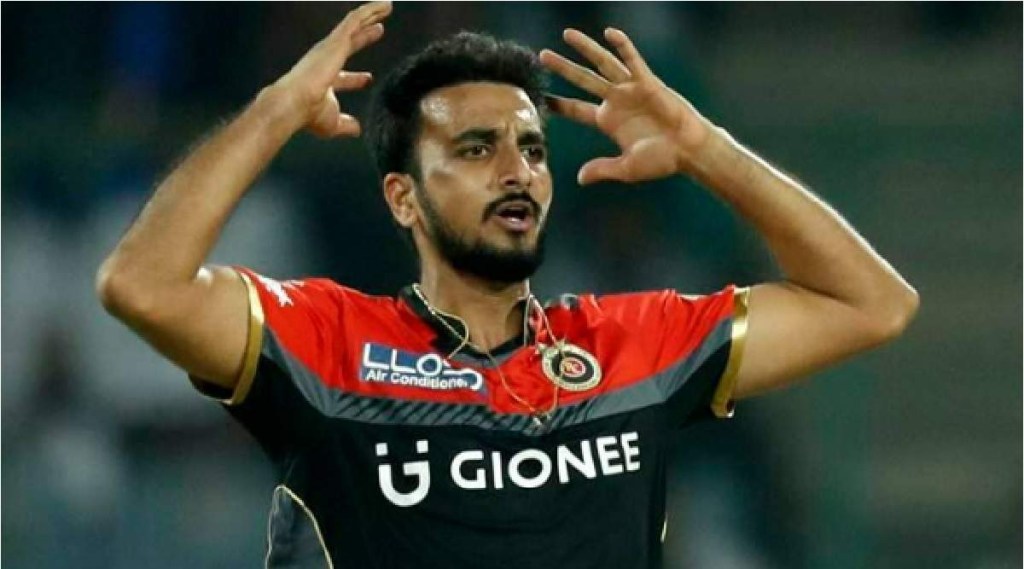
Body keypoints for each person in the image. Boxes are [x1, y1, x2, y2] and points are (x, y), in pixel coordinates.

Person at [96, 2, 919, 567]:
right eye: (475, 149)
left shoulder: (629, 345)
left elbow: (872, 303)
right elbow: (143, 285)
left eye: (530, 148)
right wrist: (274, 113)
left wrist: (707, 149)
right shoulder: (330, 342)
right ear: (403, 198)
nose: (516, 171)